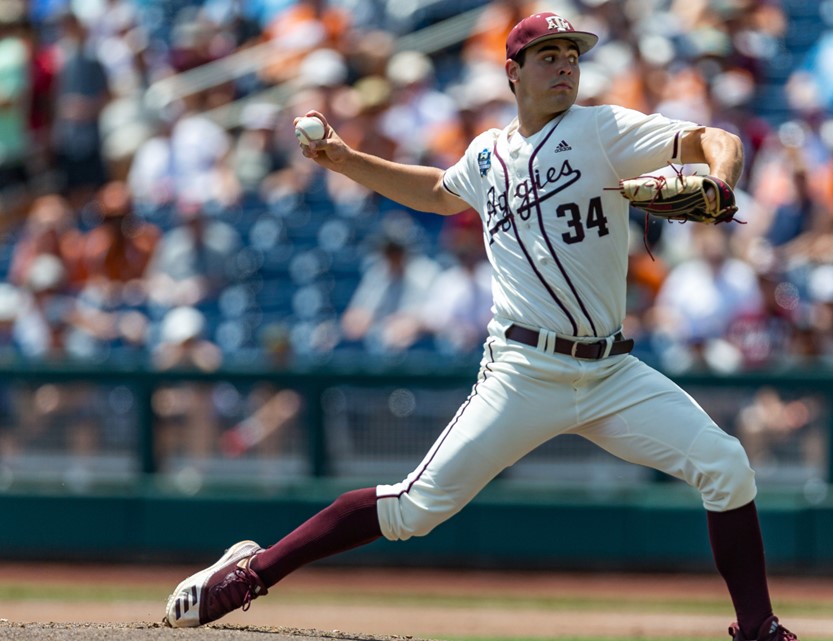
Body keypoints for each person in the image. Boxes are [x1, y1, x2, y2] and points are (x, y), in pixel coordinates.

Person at [162, 11, 796, 641]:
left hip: (609, 372)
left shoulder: (602, 128)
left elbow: (719, 141)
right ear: (512, 72)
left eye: (572, 55)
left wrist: (721, 178)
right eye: (549, 56)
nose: (566, 66)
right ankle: (251, 571)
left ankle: (757, 626)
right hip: (525, 371)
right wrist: (347, 159)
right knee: (413, 509)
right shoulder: (488, 153)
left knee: (726, 464)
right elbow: (440, 190)